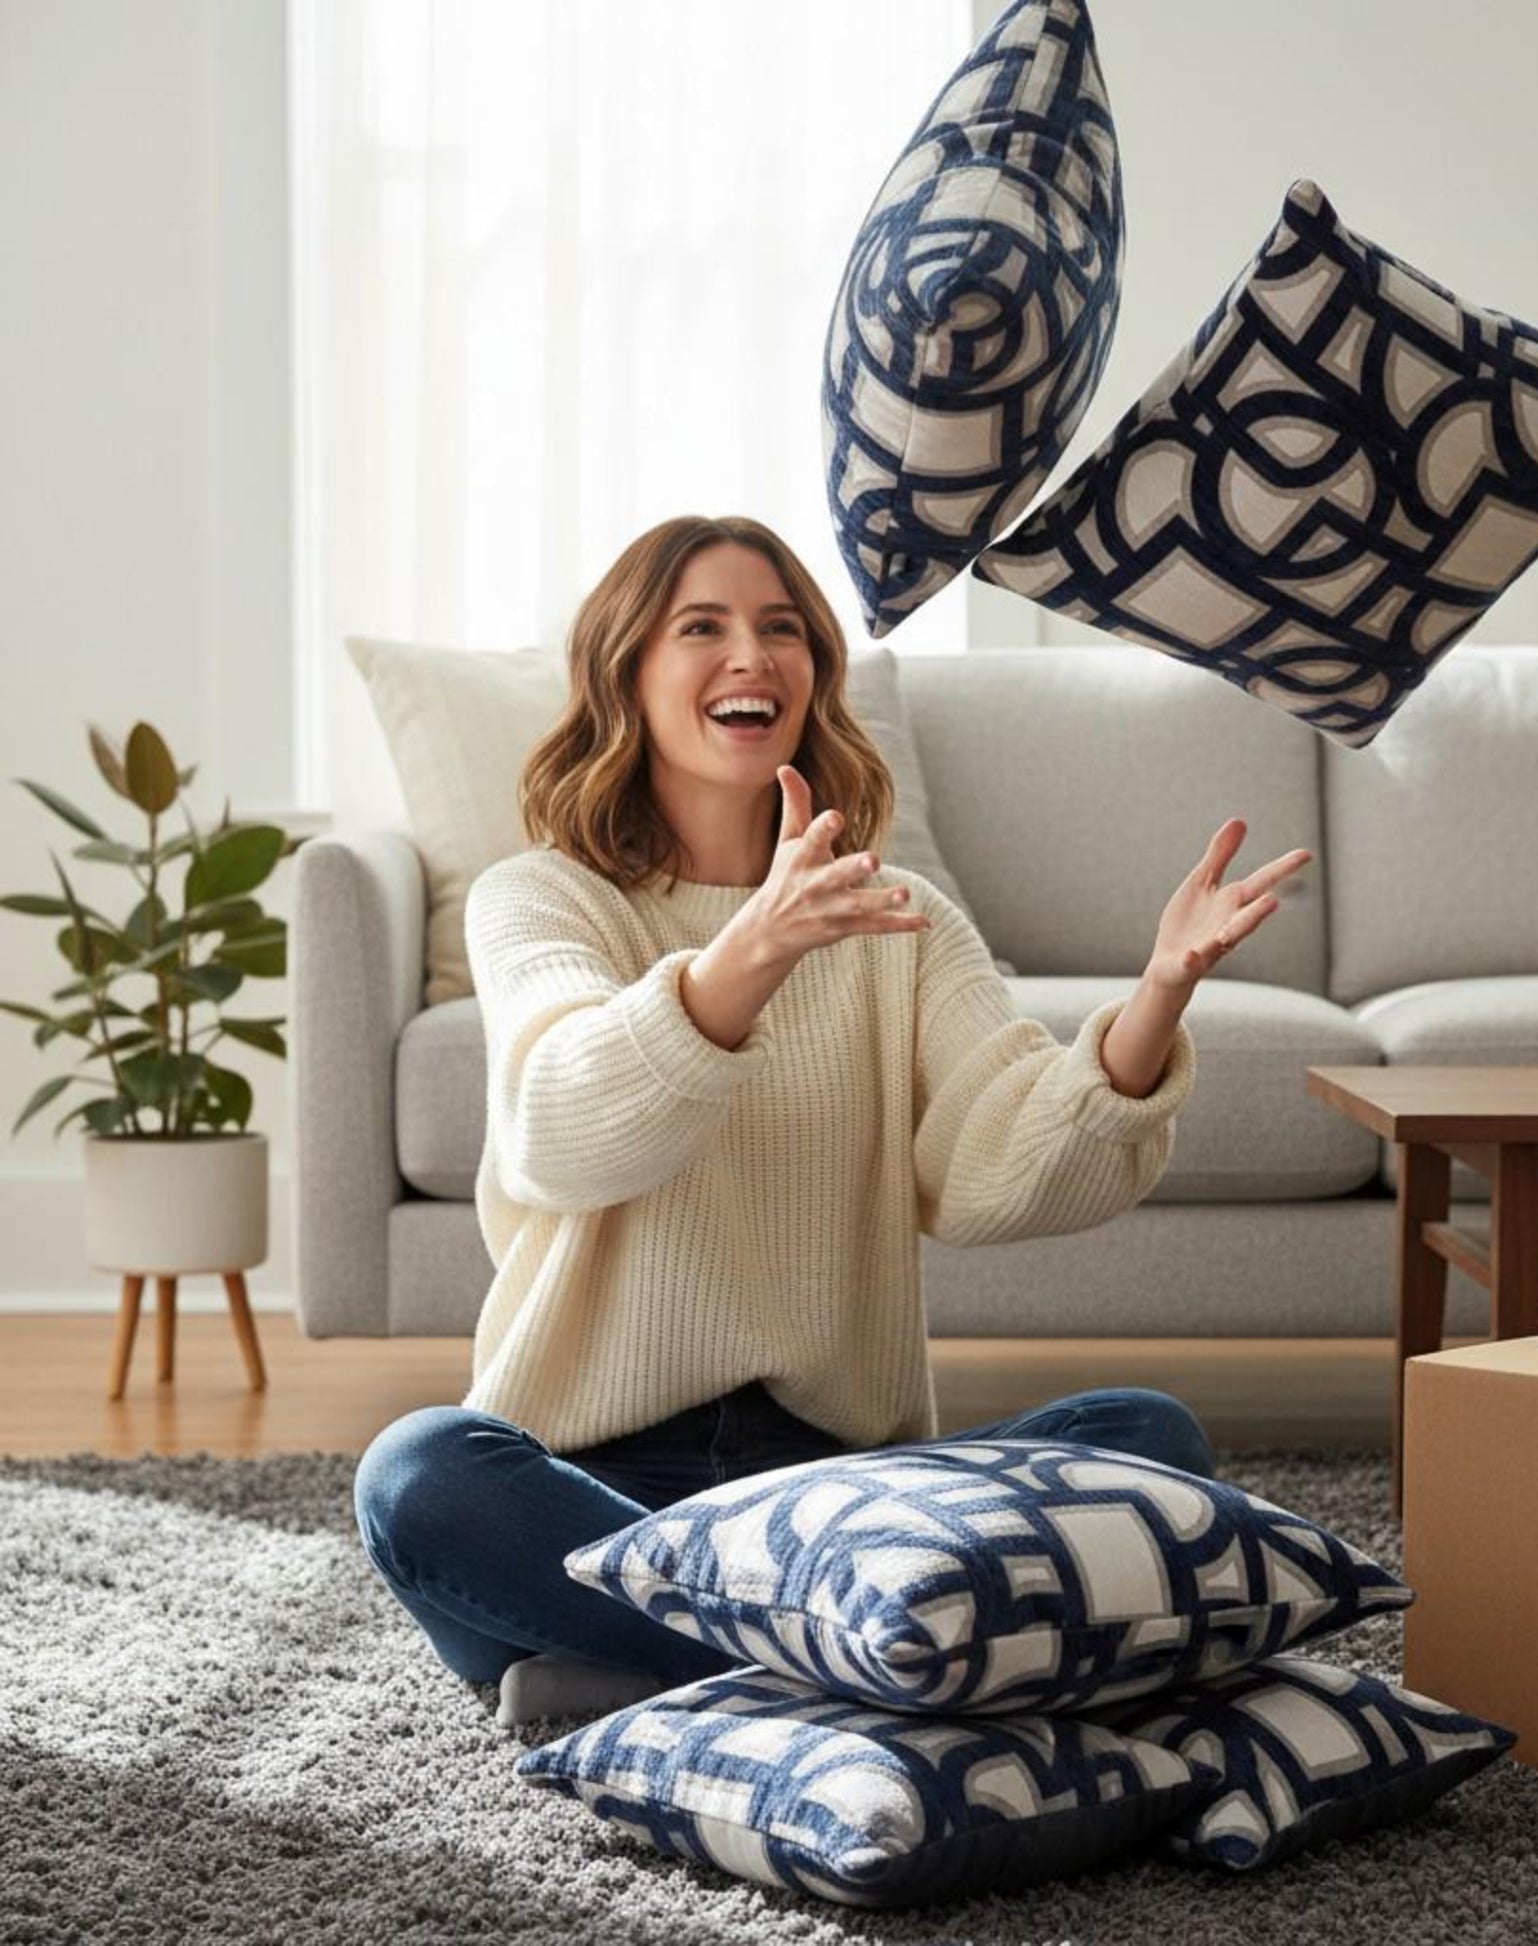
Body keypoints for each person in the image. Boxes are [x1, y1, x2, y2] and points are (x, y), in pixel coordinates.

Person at [352, 514, 1313, 1726]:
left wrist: (1152, 1004)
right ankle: (896, 1667)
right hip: (593, 1485)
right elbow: (566, 1126)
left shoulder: (895, 917)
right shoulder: (541, 897)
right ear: (625, 673)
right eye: (700, 626)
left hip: (840, 1488)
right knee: (420, 1476)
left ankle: (671, 1673)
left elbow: (992, 1169)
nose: (751, 655)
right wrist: (744, 955)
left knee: (1143, 1439)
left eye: (783, 628)